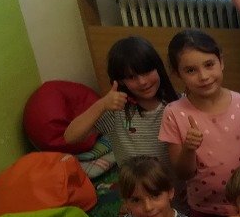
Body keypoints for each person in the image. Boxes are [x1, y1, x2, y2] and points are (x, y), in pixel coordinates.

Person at [159, 30, 240, 217]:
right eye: (191, 70)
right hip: (205, 208)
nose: (203, 76)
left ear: (221, 62)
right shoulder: (174, 113)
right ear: (177, 73)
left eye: (209, 64)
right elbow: (182, 173)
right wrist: (189, 149)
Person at [63, 36, 179, 169]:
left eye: (146, 72)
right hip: (134, 182)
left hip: (174, 181)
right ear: (121, 81)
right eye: (131, 77)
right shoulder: (117, 111)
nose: (142, 82)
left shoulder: (177, 104)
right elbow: (70, 137)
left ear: (158, 68)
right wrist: (101, 105)